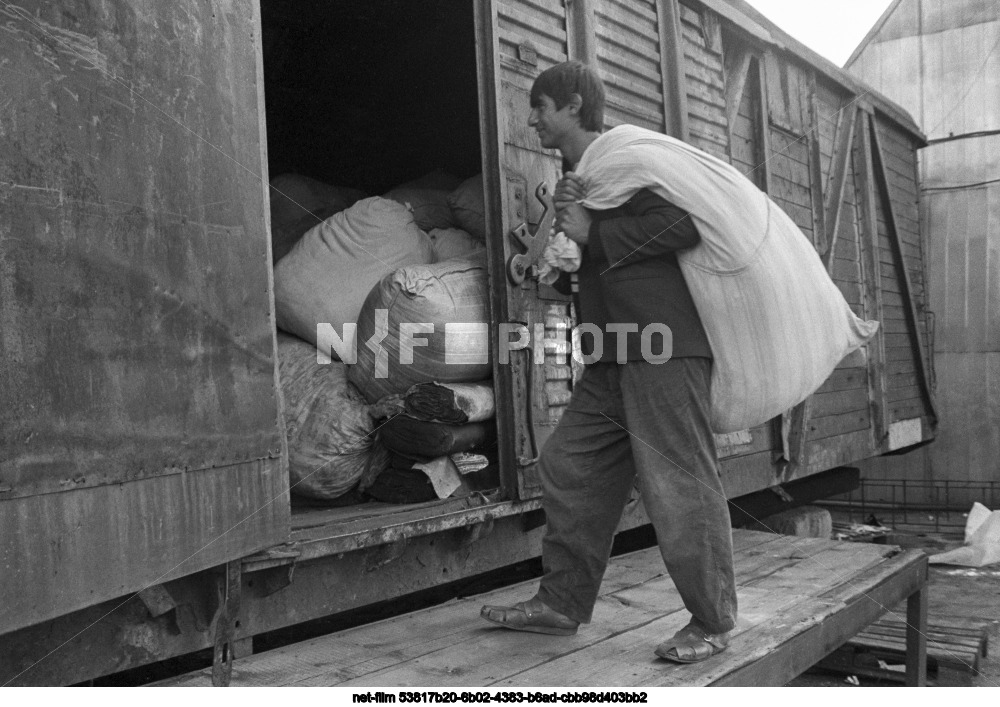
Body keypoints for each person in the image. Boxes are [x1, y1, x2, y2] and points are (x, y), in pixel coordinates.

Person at [480, 61, 738, 663]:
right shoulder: (583, 175)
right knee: (569, 464)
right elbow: (597, 256)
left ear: (572, 106)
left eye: (540, 106)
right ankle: (561, 604)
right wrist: (571, 256)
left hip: (663, 345)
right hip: (613, 352)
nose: (532, 119)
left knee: (677, 484)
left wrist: (595, 232)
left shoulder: (626, 161)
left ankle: (712, 620)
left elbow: (683, 224)